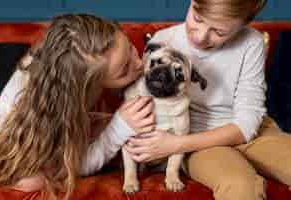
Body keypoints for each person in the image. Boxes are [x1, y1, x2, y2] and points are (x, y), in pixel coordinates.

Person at [124, 0, 291, 199]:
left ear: (243, 25)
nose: (201, 36)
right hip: (197, 141)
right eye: (197, 19)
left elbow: (248, 122)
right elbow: (138, 92)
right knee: (239, 186)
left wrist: (175, 145)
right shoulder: (162, 41)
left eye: (219, 32)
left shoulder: (252, 42)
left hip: (253, 132)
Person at [0, 14, 155, 199]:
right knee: (34, 180)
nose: (139, 63)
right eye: (124, 70)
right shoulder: (49, 106)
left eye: (131, 48)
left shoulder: (71, 66)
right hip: (3, 137)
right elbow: (66, 167)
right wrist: (117, 130)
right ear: (85, 88)